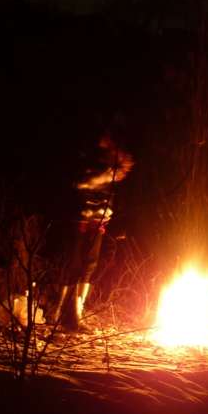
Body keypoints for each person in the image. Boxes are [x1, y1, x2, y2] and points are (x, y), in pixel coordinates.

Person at [58, 128, 134, 332]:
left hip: (99, 218)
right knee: (73, 265)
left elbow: (115, 190)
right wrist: (104, 176)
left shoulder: (114, 161)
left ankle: (77, 312)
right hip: (78, 214)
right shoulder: (84, 153)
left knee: (90, 264)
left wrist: (111, 212)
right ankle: (64, 313)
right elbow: (76, 182)